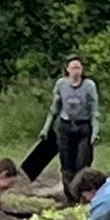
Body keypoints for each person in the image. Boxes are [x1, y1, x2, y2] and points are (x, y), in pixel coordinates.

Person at [20, 55, 101, 200]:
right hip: (65, 127)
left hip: (83, 127)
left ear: (82, 70)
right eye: (73, 67)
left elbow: (95, 111)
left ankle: (82, 194)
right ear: (67, 69)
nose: (76, 71)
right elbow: (54, 109)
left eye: (79, 67)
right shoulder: (61, 84)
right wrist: (46, 129)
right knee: (67, 163)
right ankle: (70, 196)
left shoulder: (89, 85)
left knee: (82, 163)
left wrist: (95, 132)